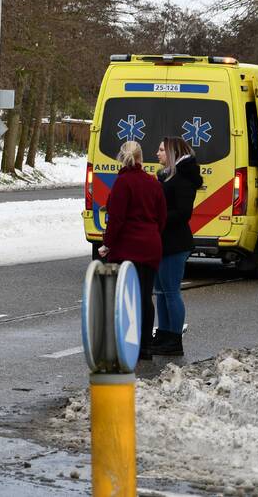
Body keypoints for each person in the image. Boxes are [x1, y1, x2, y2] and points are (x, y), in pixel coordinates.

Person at [98, 140, 166, 360]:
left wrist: (107, 244)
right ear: (141, 158)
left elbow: (116, 219)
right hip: (150, 247)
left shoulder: (122, 183)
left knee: (127, 299)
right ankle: (146, 345)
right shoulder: (153, 182)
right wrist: (152, 234)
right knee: (146, 297)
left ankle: (129, 344)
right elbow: (162, 217)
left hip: (127, 248)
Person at [152, 137, 202, 357]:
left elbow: (183, 213)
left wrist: (158, 218)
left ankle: (174, 339)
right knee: (161, 292)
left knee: (171, 292)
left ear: (172, 153)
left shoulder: (182, 179)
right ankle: (163, 335)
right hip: (163, 241)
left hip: (175, 243)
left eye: (162, 150)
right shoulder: (168, 176)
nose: (157, 153)